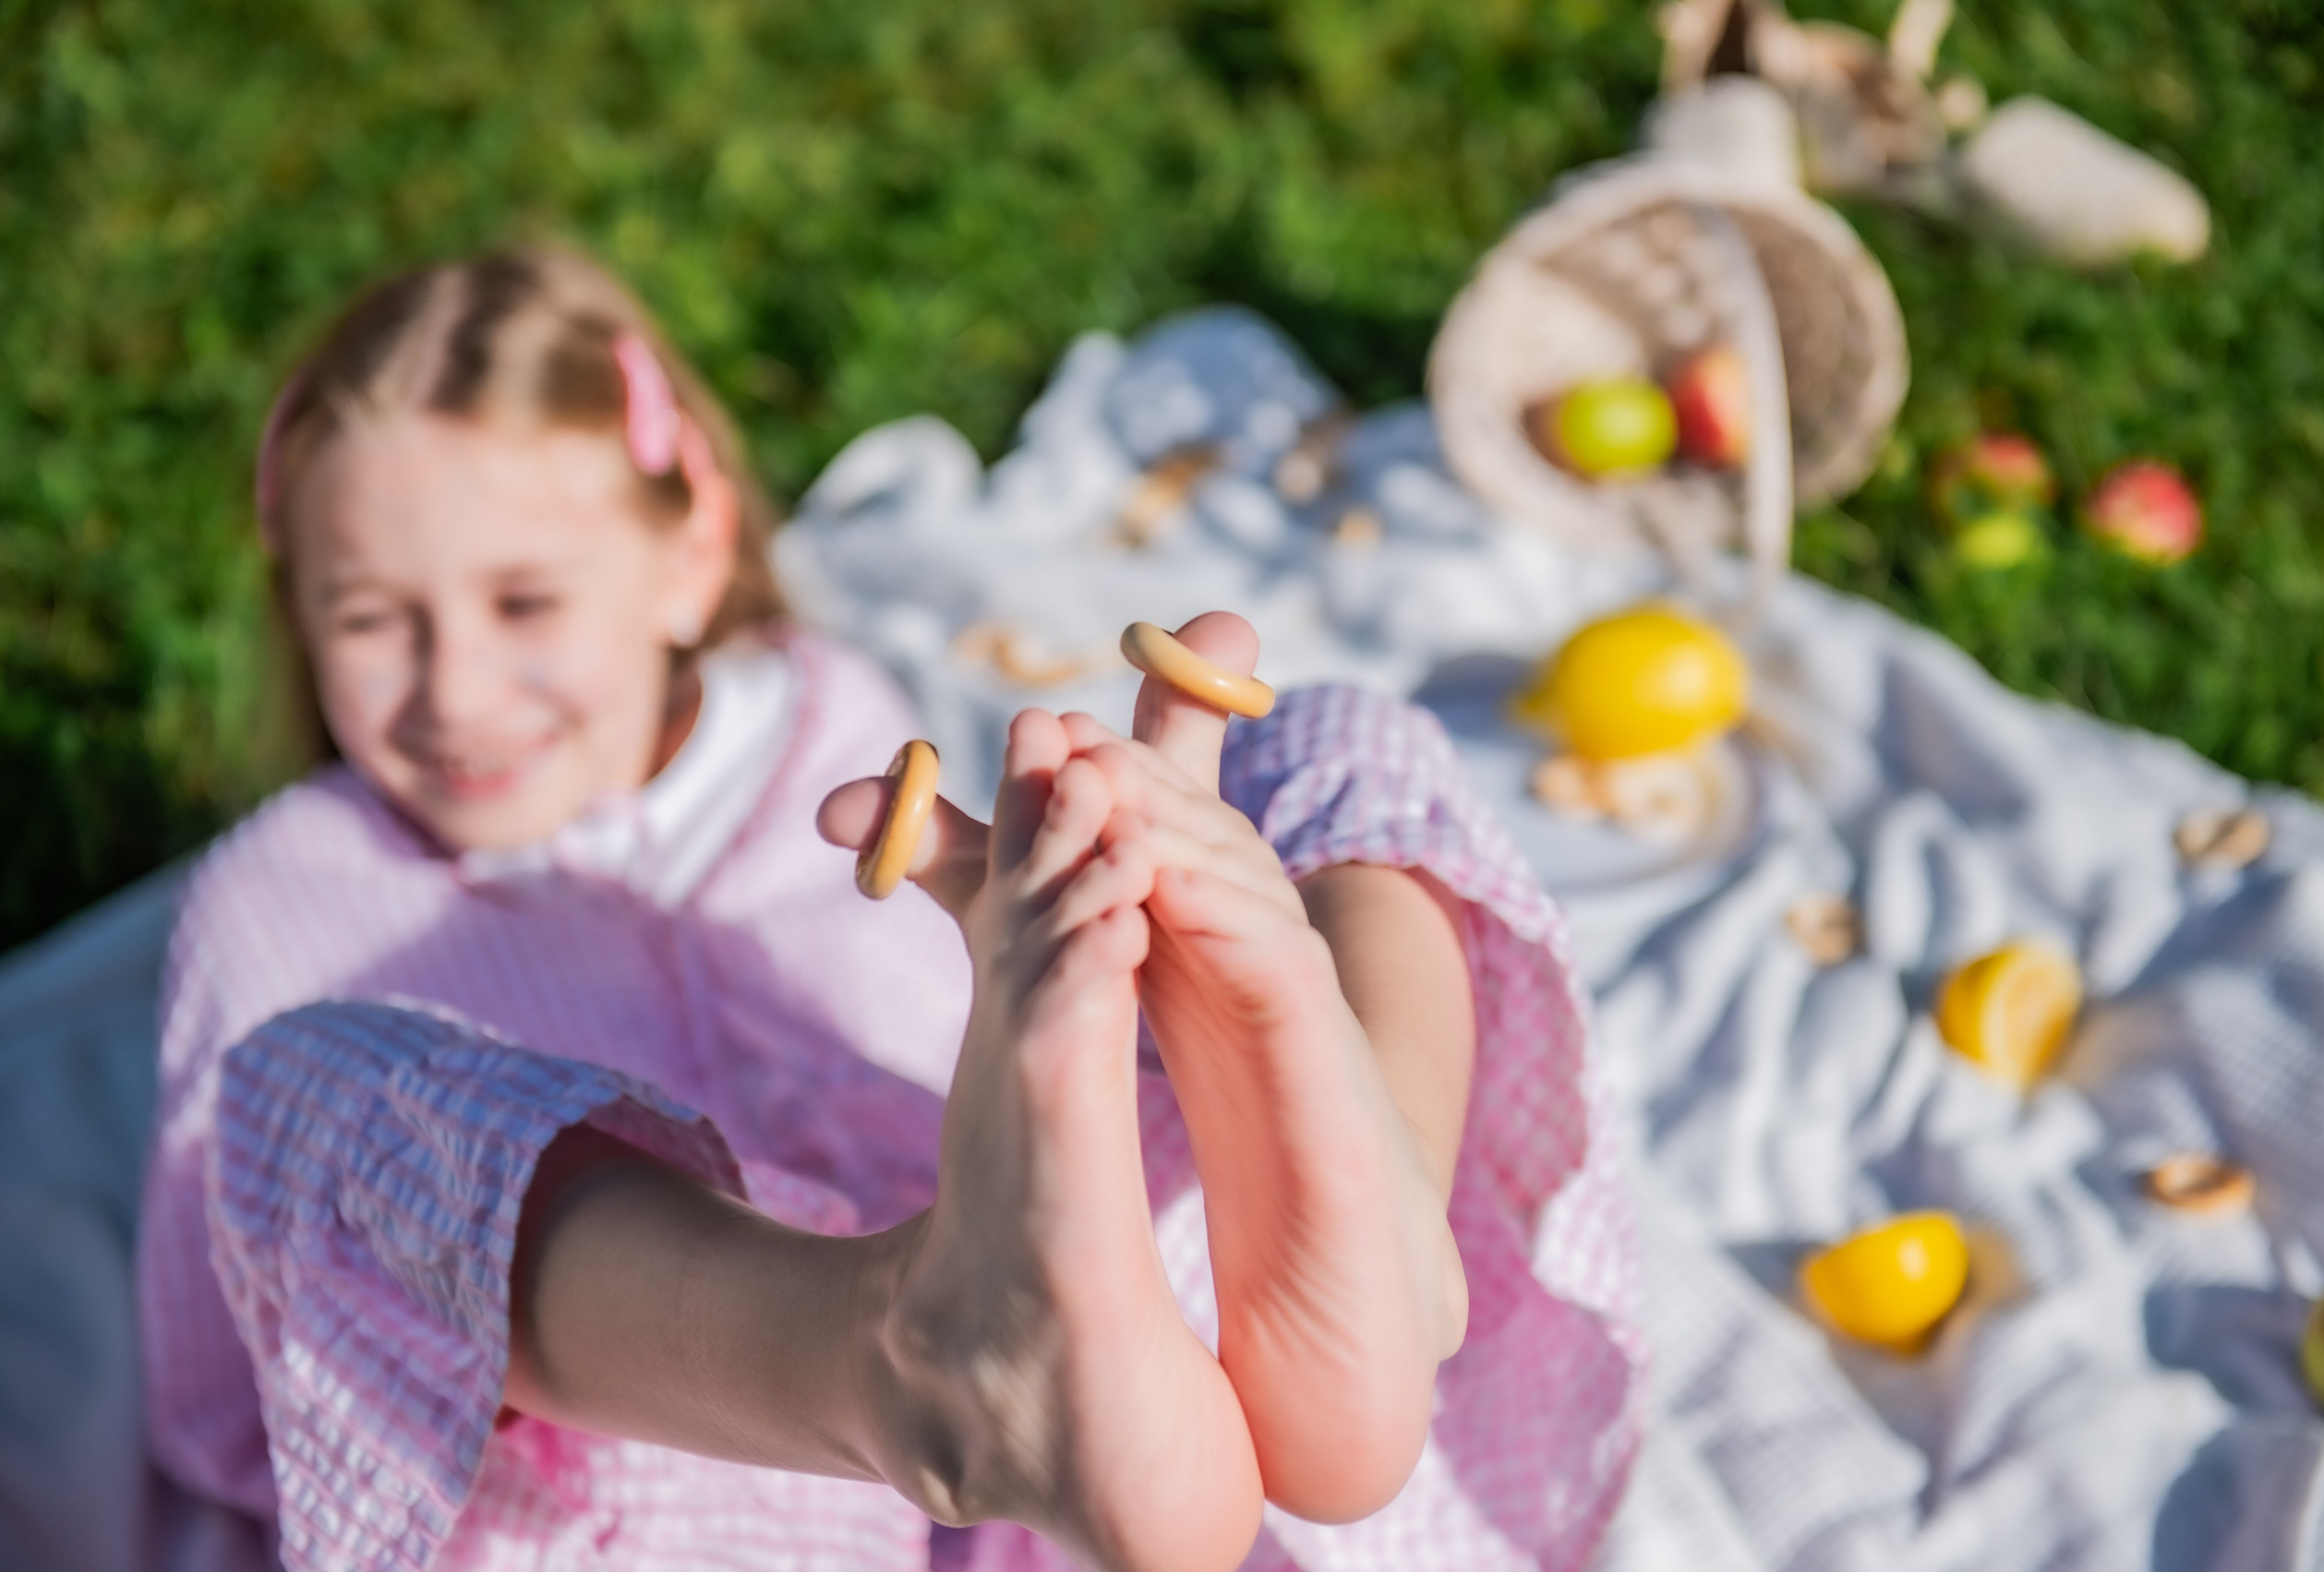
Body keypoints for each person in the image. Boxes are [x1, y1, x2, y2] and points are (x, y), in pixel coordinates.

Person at [138, 248, 1643, 1572]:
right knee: (310, 1098)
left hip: (1123, 1431)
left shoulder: (820, 722)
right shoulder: (281, 897)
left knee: (1334, 747)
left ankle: (1389, 1220)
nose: (457, 688)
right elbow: (232, 1392)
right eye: (372, 621)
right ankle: (908, 1359)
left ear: (689, 556)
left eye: (524, 604)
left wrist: (1110, 934)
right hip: (678, 1496)